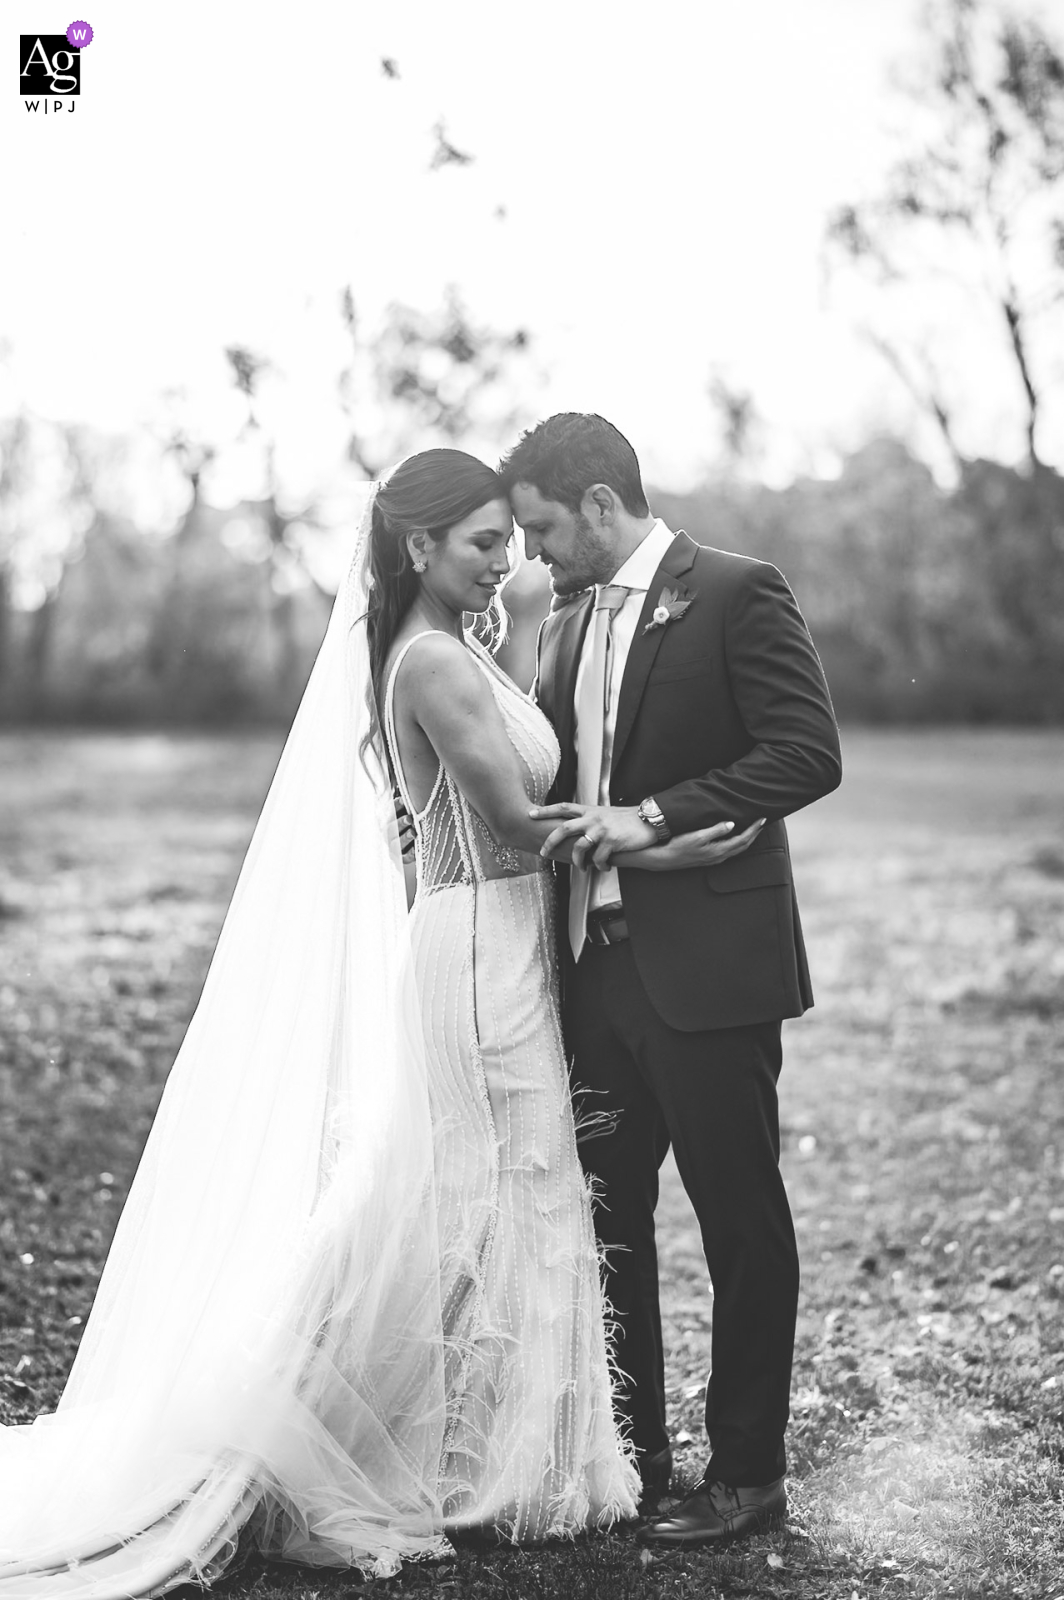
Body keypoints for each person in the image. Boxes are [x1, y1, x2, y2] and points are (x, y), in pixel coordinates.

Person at [0, 449, 760, 1598]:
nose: (509, 561)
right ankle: (455, 1460)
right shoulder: (432, 665)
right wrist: (669, 834)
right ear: (418, 548)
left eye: (514, 538)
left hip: (494, 944)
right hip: (474, 952)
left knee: (495, 1192)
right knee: (494, 1188)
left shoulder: (459, 649)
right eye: (484, 543)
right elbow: (509, 830)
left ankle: (500, 1453)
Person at [499, 413, 843, 1547]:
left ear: (600, 505)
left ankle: (747, 1473)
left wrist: (648, 819)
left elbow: (804, 751)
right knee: (607, 1222)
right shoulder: (553, 618)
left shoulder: (737, 591)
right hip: (591, 969)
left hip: (709, 967)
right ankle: (634, 1459)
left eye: (544, 530)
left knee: (740, 1220)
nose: (534, 556)